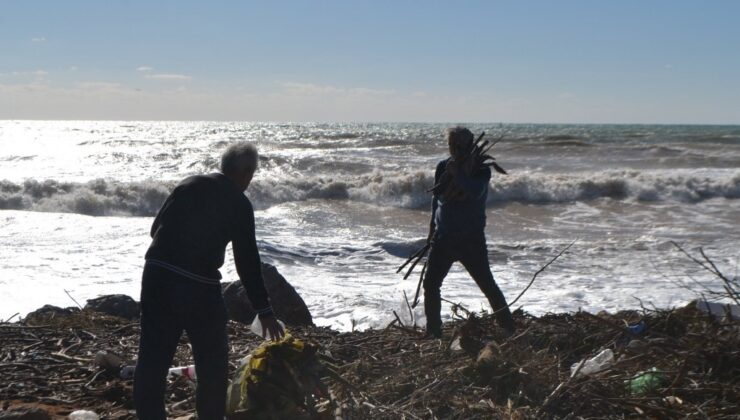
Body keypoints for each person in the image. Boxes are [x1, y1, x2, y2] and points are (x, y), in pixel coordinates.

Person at [133, 142, 284, 419]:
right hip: (198, 285)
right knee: (212, 362)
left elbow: (155, 229)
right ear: (246, 172)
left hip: (156, 275)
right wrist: (264, 311)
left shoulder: (188, 184)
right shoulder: (239, 203)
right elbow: (247, 262)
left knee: (152, 359)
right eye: (251, 173)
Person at [423, 126, 515, 338]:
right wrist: (431, 227)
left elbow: (475, 192)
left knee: (487, 284)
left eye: (460, 145)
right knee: (431, 284)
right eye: (451, 145)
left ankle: (508, 327)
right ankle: (433, 332)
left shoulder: (480, 169)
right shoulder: (443, 166)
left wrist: (458, 175)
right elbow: (436, 198)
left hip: (470, 240)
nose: (455, 149)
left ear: (470, 145)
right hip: (444, 238)